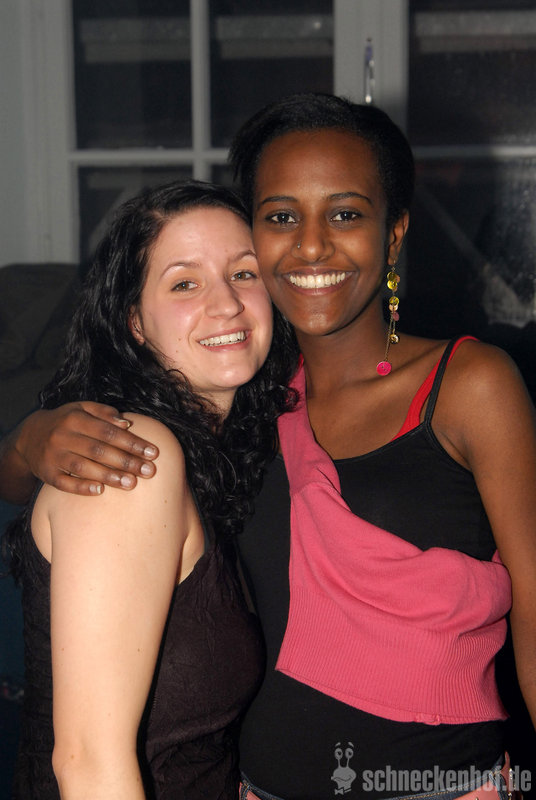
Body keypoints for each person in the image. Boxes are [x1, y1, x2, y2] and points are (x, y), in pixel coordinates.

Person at [2, 94, 536, 799]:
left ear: (394, 235)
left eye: (345, 214)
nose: (311, 246)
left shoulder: (469, 385)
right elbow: (57, 505)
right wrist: (28, 441)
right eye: (282, 217)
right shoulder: (247, 400)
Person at [1, 178, 296, 799]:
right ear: (134, 321)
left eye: (244, 273)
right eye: (185, 283)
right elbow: (89, 765)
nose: (227, 303)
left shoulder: (231, 449)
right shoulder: (132, 458)